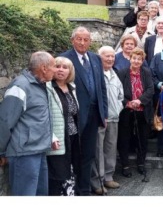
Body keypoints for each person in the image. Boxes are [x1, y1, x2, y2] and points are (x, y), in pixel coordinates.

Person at [0, 51, 56, 196]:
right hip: (24, 153)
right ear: (44, 68)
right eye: (54, 66)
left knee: (40, 194)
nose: (55, 70)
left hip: (39, 149)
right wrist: (1, 151)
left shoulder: (41, 85)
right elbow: (5, 120)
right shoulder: (20, 86)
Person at [61, 26, 108, 196]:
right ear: (72, 40)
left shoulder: (95, 58)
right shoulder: (64, 59)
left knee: (89, 154)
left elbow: (101, 87)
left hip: (95, 114)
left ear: (90, 41)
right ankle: (71, 190)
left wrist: (105, 113)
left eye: (86, 39)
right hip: (74, 116)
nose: (82, 42)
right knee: (73, 154)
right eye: (79, 39)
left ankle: (84, 189)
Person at [116, 47, 154, 179]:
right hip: (126, 110)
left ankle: (141, 163)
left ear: (142, 60)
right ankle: (125, 165)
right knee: (124, 138)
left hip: (142, 110)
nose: (136, 61)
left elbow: (150, 89)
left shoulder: (146, 72)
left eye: (139, 59)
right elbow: (118, 91)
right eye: (134, 58)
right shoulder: (122, 72)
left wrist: (140, 100)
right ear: (130, 59)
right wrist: (128, 102)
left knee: (142, 138)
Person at [90, 46, 124, 195]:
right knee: (98, 150)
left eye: (112, 56)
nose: (110, 59)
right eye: (107, 56)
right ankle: (97, 181)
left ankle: (108, 177)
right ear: (99, 57)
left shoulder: (113, 73)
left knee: (110, 148)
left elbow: (120, 95)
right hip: (99, 119)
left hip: (113, 118)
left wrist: (118, 108)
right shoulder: (94, 73)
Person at [46, 57, 80, 196]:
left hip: (73, 135)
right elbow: (45, 115)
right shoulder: (48, 87)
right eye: (58, 66)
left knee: (70, 169)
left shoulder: (72, 87)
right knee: (57, 173)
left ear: (70, 71)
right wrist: (51, 135)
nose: (61, 69)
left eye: (65, 67)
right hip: (58, 137)